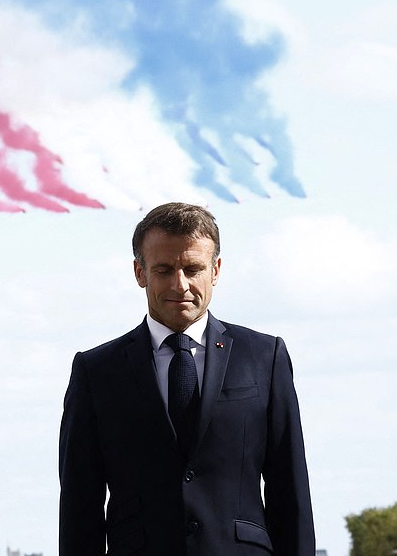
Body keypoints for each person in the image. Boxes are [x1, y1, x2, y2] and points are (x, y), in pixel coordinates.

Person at [59, 203, 315, 556]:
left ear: (216, 270)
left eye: (193, 269)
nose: (180, 284)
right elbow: (80, 503)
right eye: (164, 270)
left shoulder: (264, 357)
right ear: (140, 272)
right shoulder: (97, 370)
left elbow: (290, 488)